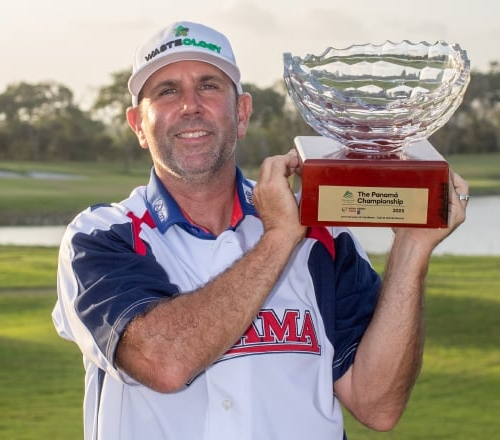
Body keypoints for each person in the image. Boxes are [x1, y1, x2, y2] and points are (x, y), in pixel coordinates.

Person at [52, 20, 469, 440]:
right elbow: (163, 362)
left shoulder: (323, 240)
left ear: (243, 113)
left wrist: (412, 250)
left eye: (209, 86)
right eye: (167, 91)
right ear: (138, 125)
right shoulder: (101, 236)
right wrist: (278, 238)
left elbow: (378, 405)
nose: (190, 105)